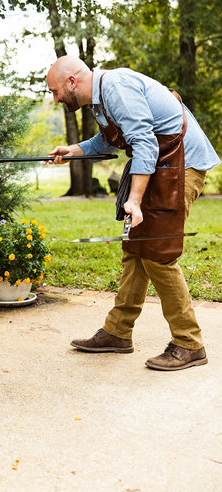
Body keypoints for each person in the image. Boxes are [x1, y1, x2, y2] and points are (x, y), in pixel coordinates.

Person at [47, 55, 219, 371]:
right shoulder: (99, 101)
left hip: (181, 166)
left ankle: (189, 343)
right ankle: (117, 332)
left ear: (72, 81)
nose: (55, 98)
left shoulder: (115, 87)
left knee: (158, 253)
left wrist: (135, 200)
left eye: (56, 91)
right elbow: (109, 140)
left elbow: (144, 143)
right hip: (161, 165)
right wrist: (72, 151)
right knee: (135, 250)